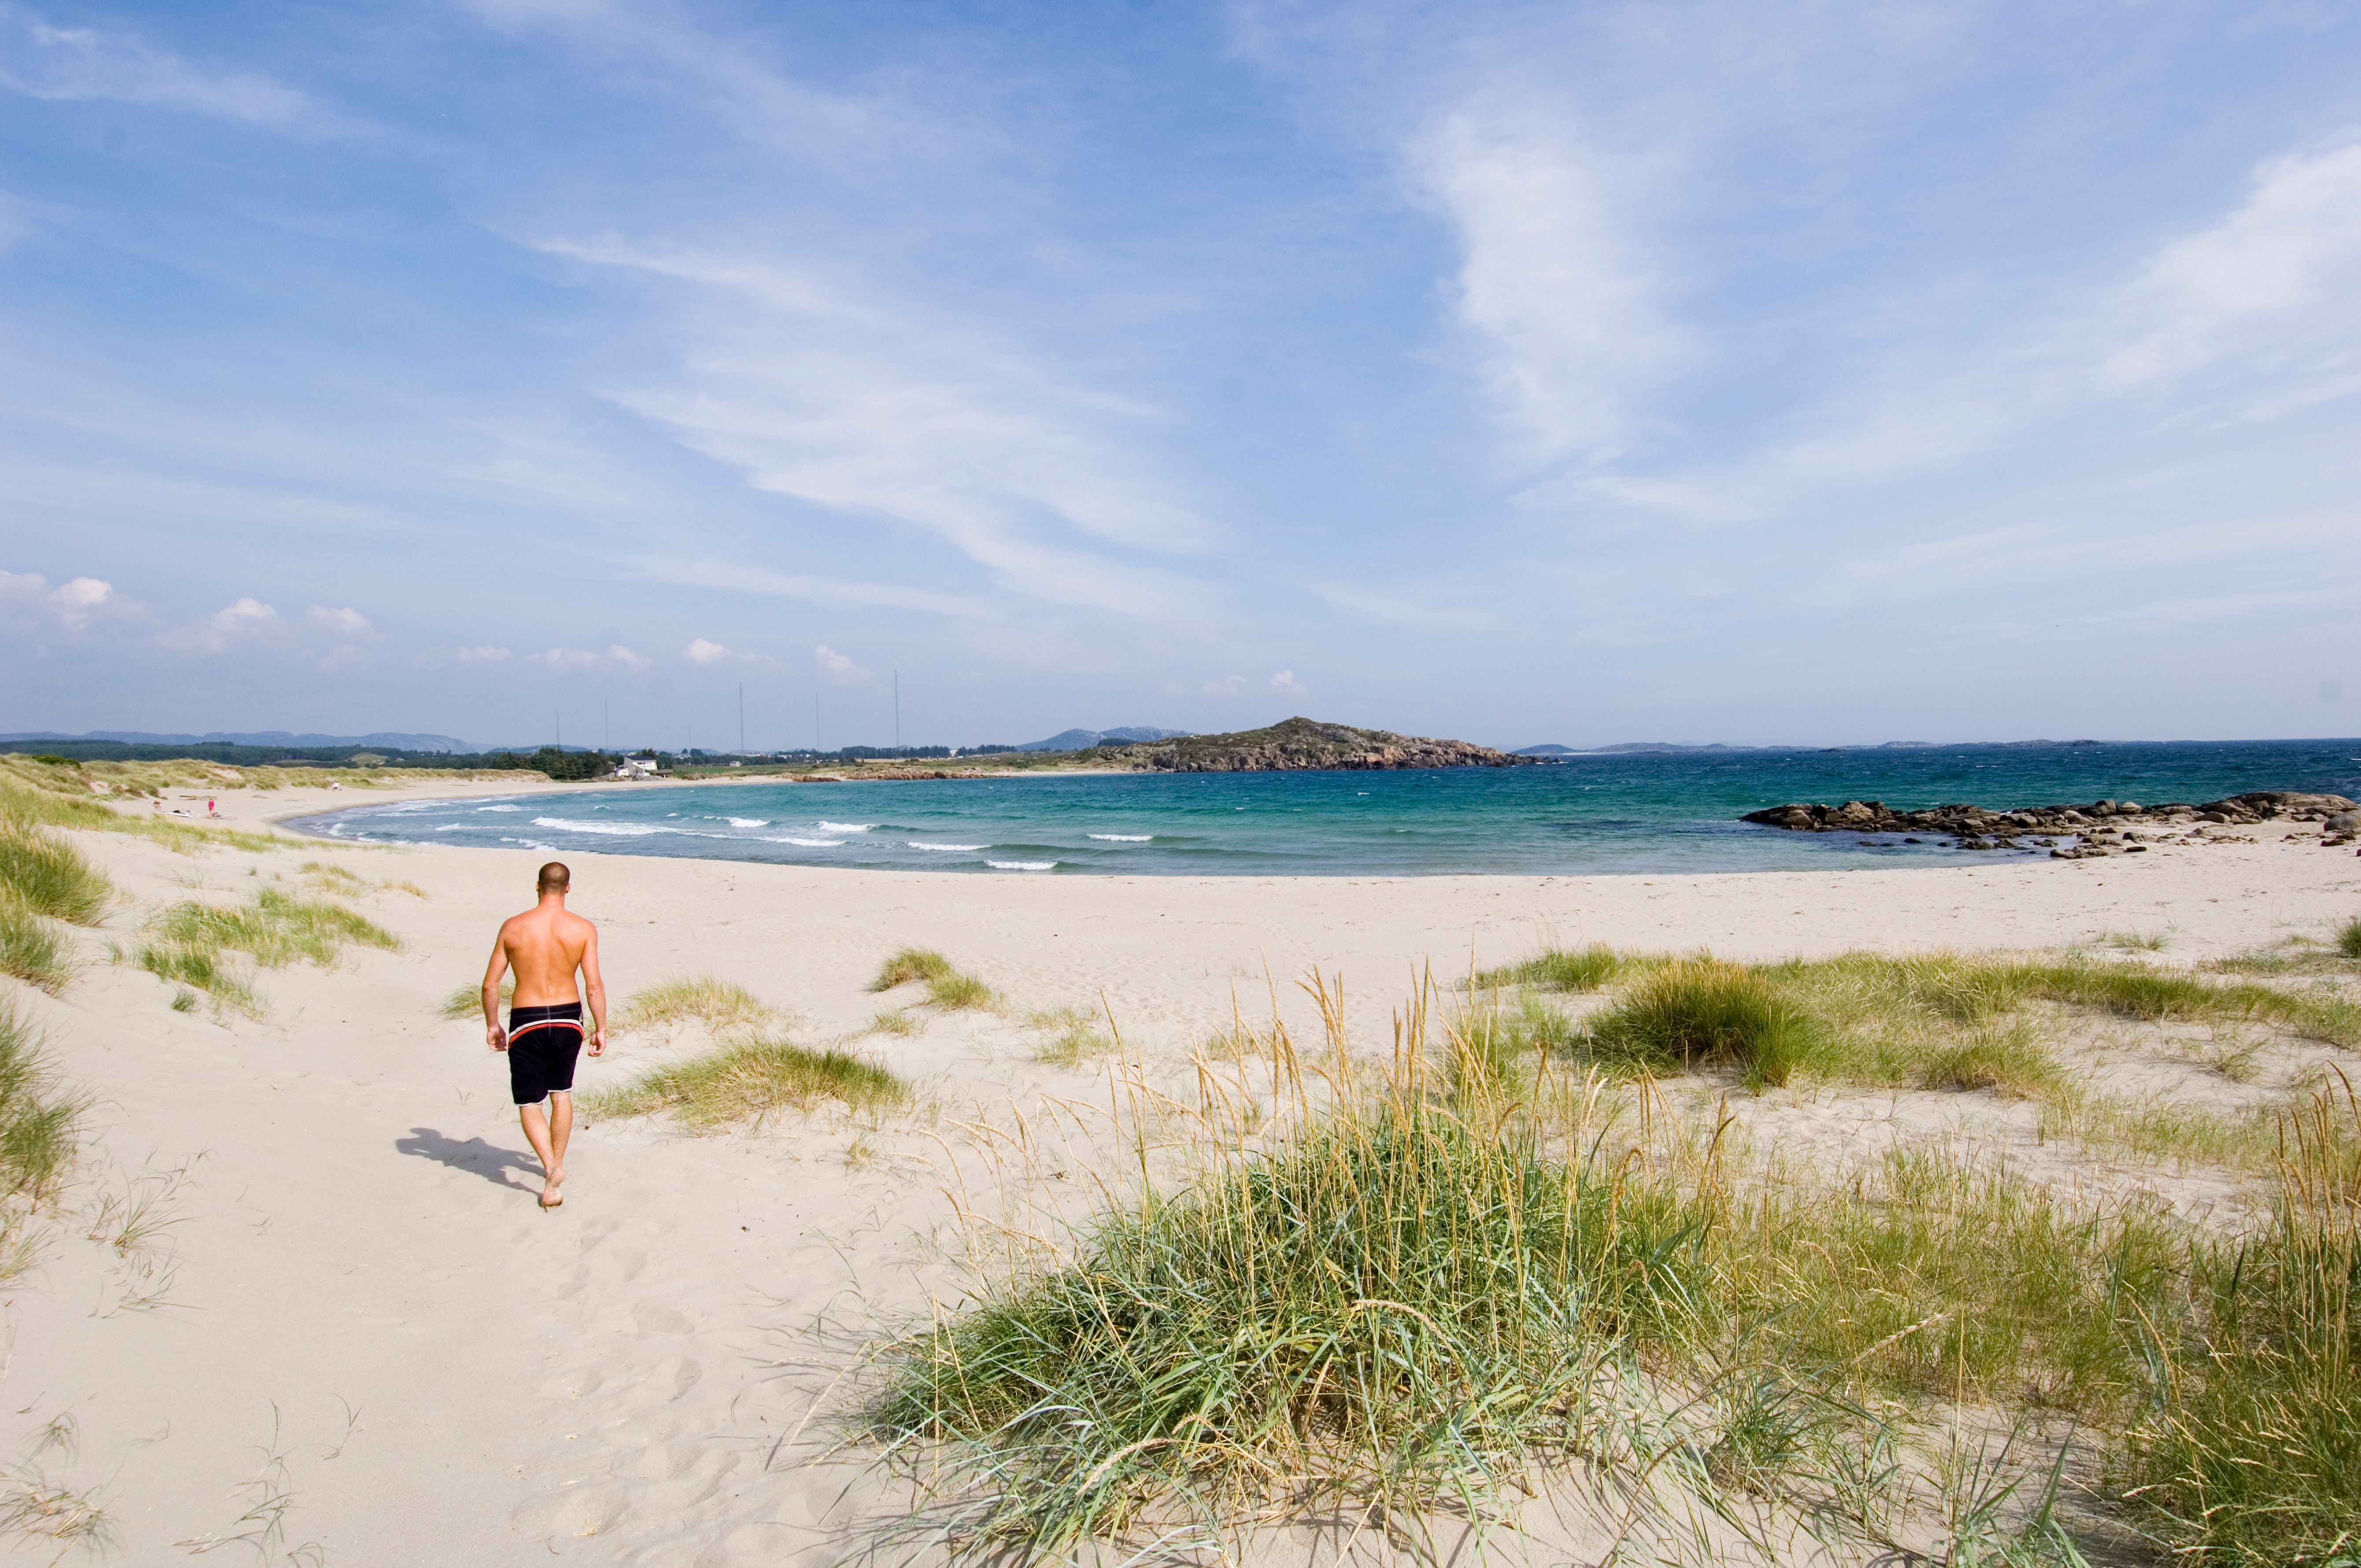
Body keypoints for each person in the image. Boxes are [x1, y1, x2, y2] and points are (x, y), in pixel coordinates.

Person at [480, 861, 607, 1209]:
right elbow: (593, 984)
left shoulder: (513, 927)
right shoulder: (583, 928)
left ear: (537, 887)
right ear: (568, 888)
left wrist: (493, 1025)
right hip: (569, 1019)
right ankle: (557, 1170)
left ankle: (551, 1170)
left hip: (528, 1019)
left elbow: (491, 984)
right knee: (561, 1095)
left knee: (529, 1102)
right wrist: (601, 1027)